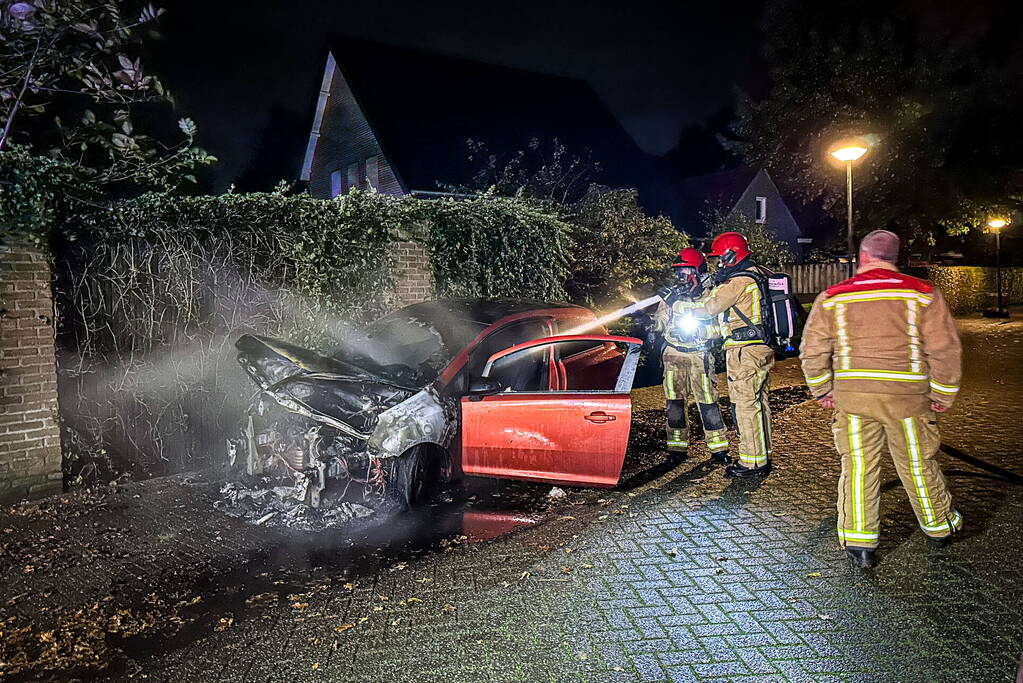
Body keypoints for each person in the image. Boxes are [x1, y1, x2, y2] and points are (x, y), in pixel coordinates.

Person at [800, 230, 963, 569]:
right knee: (917, 463)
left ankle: (860, 543)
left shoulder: (833, 297)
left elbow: (812, 350)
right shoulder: (922, 293)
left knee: (858, 466)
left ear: (862, 257)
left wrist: (823, 389)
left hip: (854, 398)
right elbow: (944, 349)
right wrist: (942, 393)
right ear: (895, 257)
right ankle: (938, 528)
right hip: (908, 398)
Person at [695, 232, 776, 478]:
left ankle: (752, 463)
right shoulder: (759, 274)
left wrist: (676, 304)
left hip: (744, 352)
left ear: (732, 255)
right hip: (761, 347)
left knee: (744, 406)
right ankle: (763, 454)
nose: (718, 264)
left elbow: (707, 308)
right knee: (759, 402)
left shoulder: (738, 281)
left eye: (720, 258)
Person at [653, 248, 729, 461]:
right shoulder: (671, 297)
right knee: (674, 403)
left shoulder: (712, 296)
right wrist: (650, 324)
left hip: (699, 356)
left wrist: (699, 333)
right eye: (678, 272)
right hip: (672, 355)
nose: (681, 277)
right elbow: (661, 321)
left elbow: (721, 328)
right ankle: (676, 449)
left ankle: (719, 449)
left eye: (685, 271)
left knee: (708, 403)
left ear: (698, 271)